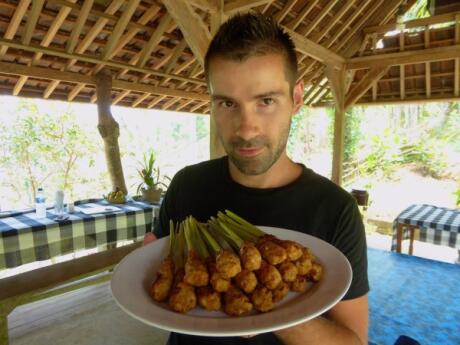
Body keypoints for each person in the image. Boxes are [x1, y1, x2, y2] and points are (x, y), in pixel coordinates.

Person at [145, 12, 369, 345]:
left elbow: (354, 342)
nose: (246, 129)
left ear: (296, 99)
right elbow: (158, 266)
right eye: (227, 103)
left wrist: (267, 308)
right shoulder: (185, 185)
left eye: (265, 101)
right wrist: (147, 263)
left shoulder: (336, 210)